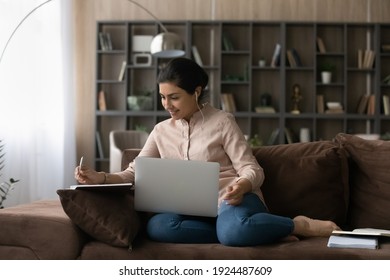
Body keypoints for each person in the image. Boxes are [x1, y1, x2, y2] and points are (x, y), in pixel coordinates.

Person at [75, 57, 340, 246]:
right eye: (163, 97)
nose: (167, 104)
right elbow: (135, 172)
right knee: (158, 226)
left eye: (174, 97)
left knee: (234, 230)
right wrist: (101, 178)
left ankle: (299, 225)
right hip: (186, 209)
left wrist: (244, 185)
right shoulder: (160, 131)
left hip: (231, 201)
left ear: (196, 91)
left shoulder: (223, 121)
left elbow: (252, 168)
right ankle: (254, 231)